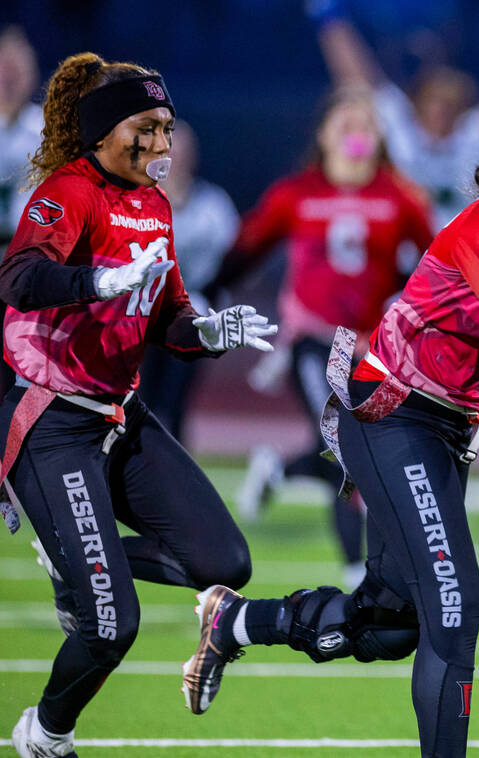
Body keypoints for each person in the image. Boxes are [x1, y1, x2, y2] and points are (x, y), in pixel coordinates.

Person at [180, 98, 479, 758]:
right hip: (391, 408)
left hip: (446, 432)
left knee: (389, 622)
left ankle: (237, 621)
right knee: (456, 605)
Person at [1, 52, 277, 758]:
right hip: (52, 416)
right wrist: (100, 279)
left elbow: (169, 313)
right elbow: (22, 275)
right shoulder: (69, 190)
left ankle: (71, 560)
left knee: (224, 560)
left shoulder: (153, 203)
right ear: (102, 129)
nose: (162, 145)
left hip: (117, 413)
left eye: (168, 128)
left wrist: (207, 333)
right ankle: (45, 735)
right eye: (147, 127)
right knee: (109, 626)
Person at [204, 87, 434, 586]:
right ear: (324, 134)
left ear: (379, 137)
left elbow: (435, 263)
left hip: (373, 344)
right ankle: (358, 571)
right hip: (315, 338)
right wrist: (204, 294)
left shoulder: (400, 196)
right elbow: (246, 249)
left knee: (366, 444)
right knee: (342, 442)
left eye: (365, 124)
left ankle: (281, 470)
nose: (356, 133)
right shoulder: (296, 193)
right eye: (345, 122)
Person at [313, 0, 479, 228]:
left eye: (450, 103)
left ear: (463, 109)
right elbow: (358, 79)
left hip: (459, 262)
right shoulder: (401, 131)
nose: (440, 110)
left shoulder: (472, 138)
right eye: (433, 101)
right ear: (417, 103)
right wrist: (330, 16)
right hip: (404, 262)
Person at [136, 119, 240, 443]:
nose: (174, 159)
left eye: (180, 152)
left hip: (192, 312)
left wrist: (218, 303)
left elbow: (234, 262)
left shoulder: (213, 205)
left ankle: (174, 470)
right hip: (141, 315)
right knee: (141, 397)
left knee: (175, 400)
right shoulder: (134, 203)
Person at [0, 25, 43, 397]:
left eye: (18, 68)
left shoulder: (46, 131)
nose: (9, 76)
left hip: (26, 266)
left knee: (22, 375)